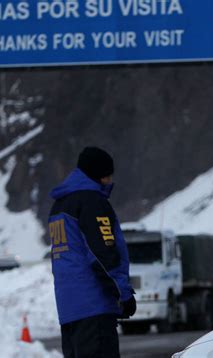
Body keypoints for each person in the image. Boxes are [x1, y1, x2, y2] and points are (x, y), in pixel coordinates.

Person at [48, 147, 136, 358]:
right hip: (94, 307)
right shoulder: (92, 202)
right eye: (108, 175)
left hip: (69, 311)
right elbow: (102, 254)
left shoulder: (59, 206)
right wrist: (123, 293)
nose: (109, 180)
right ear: (99, 174)